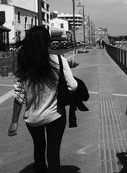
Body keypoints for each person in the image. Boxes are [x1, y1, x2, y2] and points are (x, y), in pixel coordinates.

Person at [8, 26, 78, 173]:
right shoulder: (59, 60)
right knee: (53, 154)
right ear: (48, 42)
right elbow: (73, 86)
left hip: (33, 119)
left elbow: (19, 95)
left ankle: (40, 168)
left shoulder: (25, 64)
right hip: (55, 116)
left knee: (39, 149)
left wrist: (14, 122)